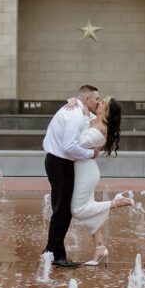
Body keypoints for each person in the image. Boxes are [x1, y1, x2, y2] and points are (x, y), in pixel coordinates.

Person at [66, 95, 132, 265]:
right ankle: (100, 247)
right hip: (81, 169)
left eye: (103, 102)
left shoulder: (103, 128)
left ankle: (116, 203)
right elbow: (81, 111)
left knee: (78, 210)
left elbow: (77, 142)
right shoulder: (95, 119)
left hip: (86, 172)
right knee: (85, 208)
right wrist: (72, 102)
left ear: (107, 110)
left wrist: (84, 115)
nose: (99, 103)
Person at [42, 84, 100, 268]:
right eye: (96, 99)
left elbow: (90, 122)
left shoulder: (77, 110)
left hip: (59, 162)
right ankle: (57, 255)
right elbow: (69, 147)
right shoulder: (75, 115)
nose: (98, 101)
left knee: (62, 208)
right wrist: (92, 154)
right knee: (62, 210)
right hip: (60, 163)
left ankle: (50, 250)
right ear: (87, 100)